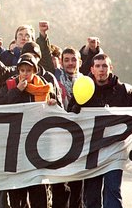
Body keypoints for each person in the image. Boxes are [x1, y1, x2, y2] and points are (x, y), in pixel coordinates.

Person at [67, 53, 132, 208]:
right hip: (92, 152)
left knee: (112, 192)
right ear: (92, 69)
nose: (101, 69)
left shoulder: (123, 91)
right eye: (97, 66)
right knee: (91, 196)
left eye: (104, 65)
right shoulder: (83, 89)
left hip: (115, 151)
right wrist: (75, 107)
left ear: (110, 68)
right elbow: (69, 116)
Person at [0, 53, 57, 208]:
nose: (25, 74)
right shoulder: (9, 85)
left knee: (38, 188)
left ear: (34, 71)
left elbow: (57, 108)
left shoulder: (45, 86)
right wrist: (17, 91)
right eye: (22, 70)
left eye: (28, 70)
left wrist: (52, 103)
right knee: (18, 192)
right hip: (16, 144)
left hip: (38, 144)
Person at [52, 47, 84, 208]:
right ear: (61, 63)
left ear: (80, 62)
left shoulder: (87, 82)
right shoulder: (54, 81)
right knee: (58, 183)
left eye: (73, 59)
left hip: (80, 138)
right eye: (66, 60)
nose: (70, 63)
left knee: (77, 182)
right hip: (58, 137)